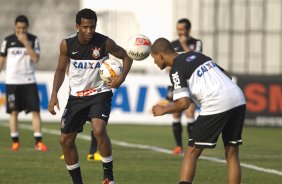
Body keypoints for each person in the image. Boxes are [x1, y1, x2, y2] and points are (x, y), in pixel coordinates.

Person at [48, 8, 133, 184]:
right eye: (85, 27)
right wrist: (54, 94)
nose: (89, 31)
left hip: (99, 93)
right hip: (76, 97)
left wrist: (121, 78)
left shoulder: (105, 43)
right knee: (65, 140)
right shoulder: (67, 44)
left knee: (99, 129)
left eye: (92, 27)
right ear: (77, 26)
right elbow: (61, 69)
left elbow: (127, 57)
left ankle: (108, 177)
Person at [151, 38, 246, 184]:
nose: (154, 62)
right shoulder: (197, 55)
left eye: (154, 58)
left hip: (216, 102)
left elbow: (184, 103)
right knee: (232, 152)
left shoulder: (176, 69)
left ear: (160, 55)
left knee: (191, 152)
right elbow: (226, 75)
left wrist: (164, 109)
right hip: (237, 97)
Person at [0, 15, 48, 152]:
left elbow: (36, 59)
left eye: (24, 28)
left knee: (35, 111)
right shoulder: (8, 41)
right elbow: (1, 60)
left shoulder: (33, 40)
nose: (21, 30)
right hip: (12, 82)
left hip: (29, 81)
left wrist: (26, 42)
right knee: (13, 112)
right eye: (19, 28)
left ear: (27, 27)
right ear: (15, 26)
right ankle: (15, 142)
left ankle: (38, 142)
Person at [169, 18, 203, 155]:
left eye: (182, 30)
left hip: (192, 84)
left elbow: (197, 58)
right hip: (177, 83)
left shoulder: (197, 43)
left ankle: (192, 145)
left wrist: (184, 45)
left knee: (190, 112)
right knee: (176, 113)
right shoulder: (172, 44)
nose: (180, 33)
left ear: (189, 30)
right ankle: (178, 146)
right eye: (178, 30)